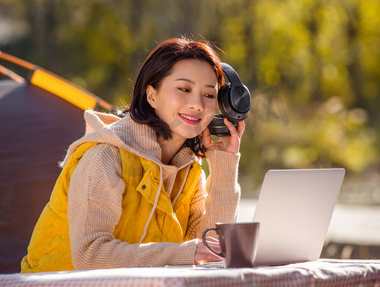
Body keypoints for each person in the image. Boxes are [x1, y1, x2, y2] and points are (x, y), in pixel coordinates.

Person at [20, 37, 245, 272]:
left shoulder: (188, 171)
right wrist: (185, 253)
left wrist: (223, 167)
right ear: (152, 95)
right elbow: (89, 255)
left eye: (209, 95)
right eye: (184, 89)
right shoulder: (104, 156)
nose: (198, 104)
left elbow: (210, 248)